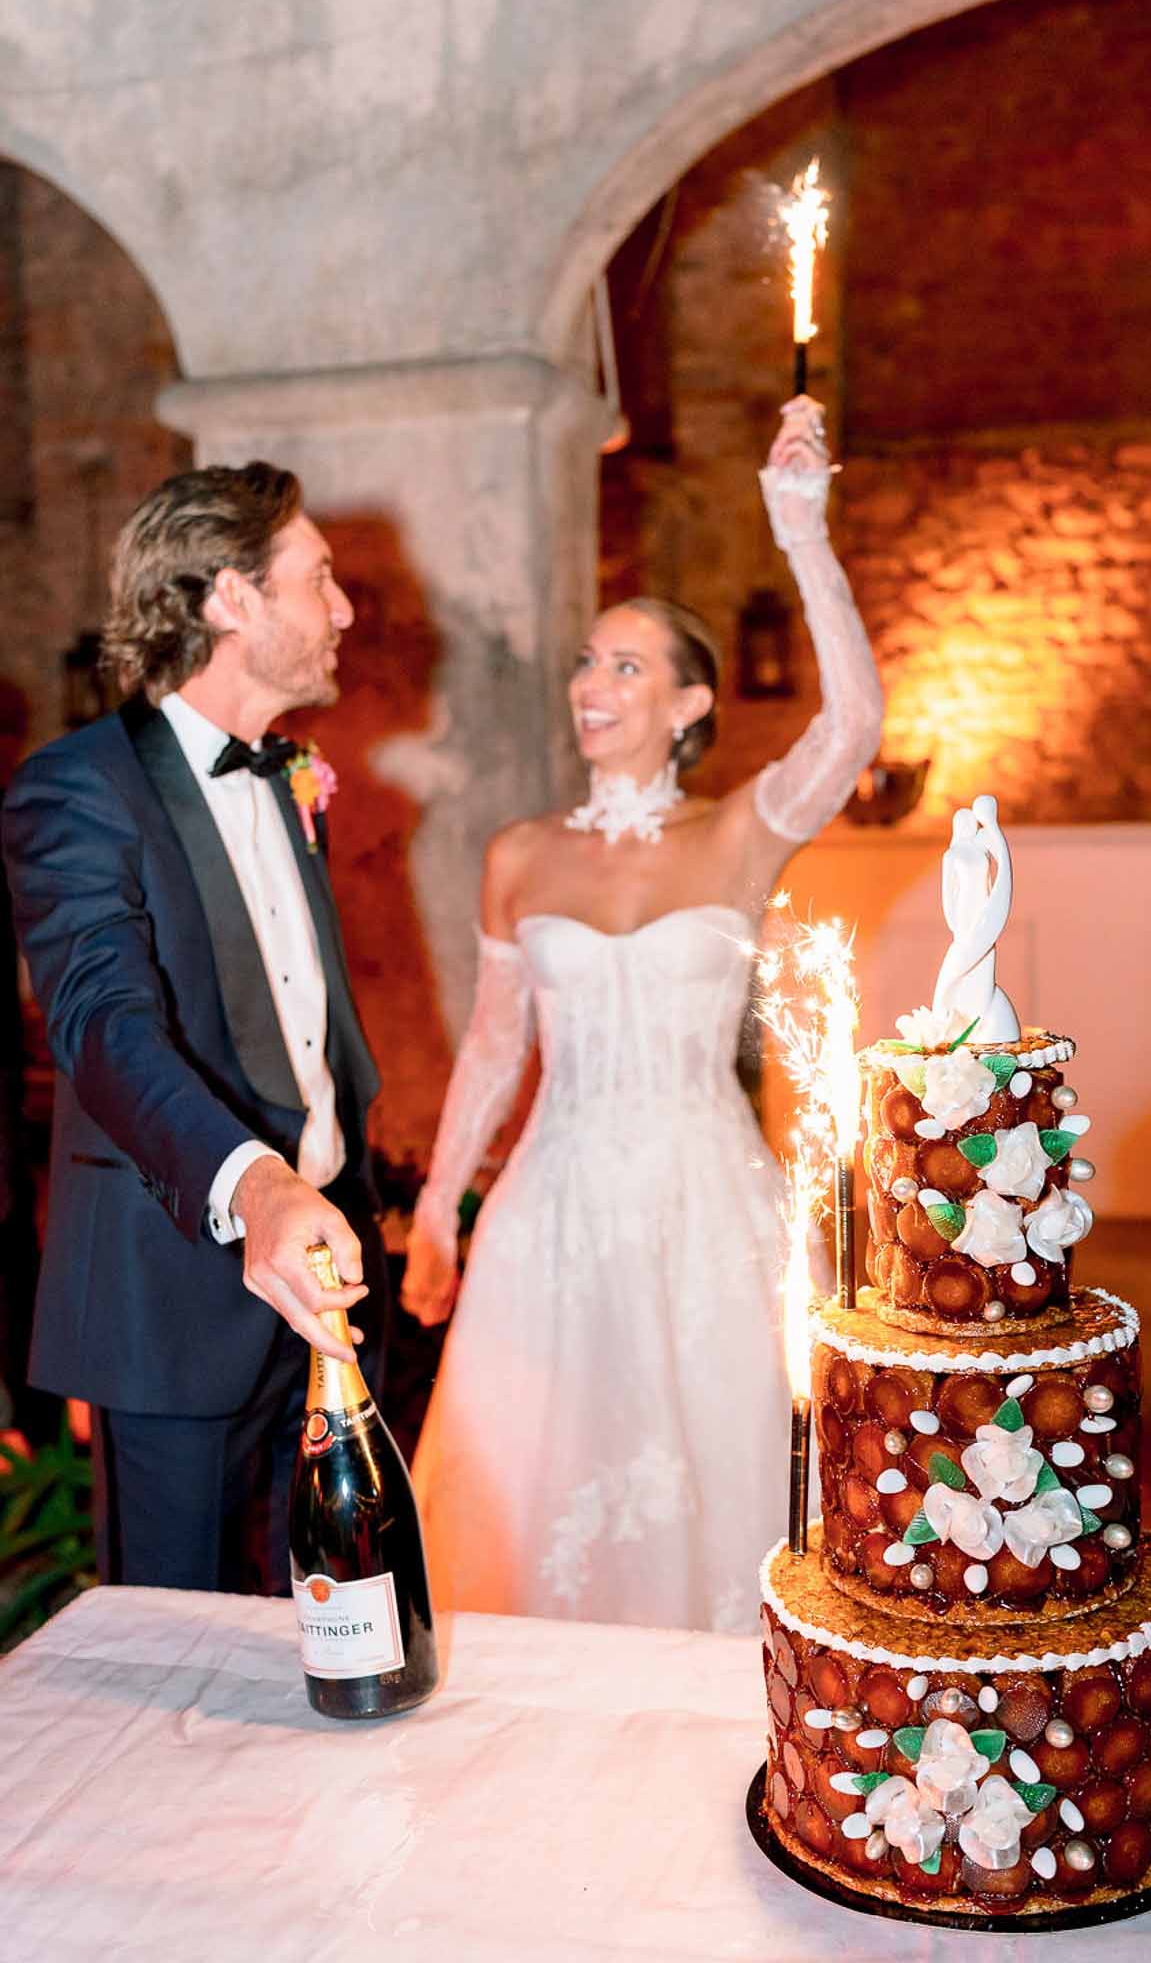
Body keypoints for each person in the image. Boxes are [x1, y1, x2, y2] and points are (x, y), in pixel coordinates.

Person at [402, 396, 883, 1631]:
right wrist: (442, 1213)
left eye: (627, 665)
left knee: (721, 1478)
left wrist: (802, 534)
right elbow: (497, 1043)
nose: (592, 684)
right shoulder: (520, 852)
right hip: (551, 1206)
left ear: (687, 706)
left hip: (703, 1199)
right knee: (527, 1478)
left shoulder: (736, 833)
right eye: (586, 660)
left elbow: (853, 728)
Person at [1, 463, 383, 1595]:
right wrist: (260, 1187)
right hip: (171, 1296)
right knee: (176, 1663)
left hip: (317, 1282)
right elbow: (105, 1031)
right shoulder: (77, 787)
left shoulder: (293, 777)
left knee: (316, 1623)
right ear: (232, 597)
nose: (346, 609)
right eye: (318, 578)